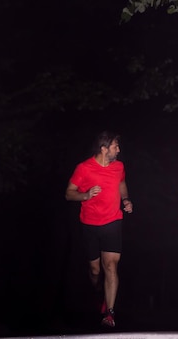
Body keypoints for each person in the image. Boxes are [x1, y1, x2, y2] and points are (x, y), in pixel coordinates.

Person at [65, 131, 133, 328]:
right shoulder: (84, 168)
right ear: (104, 149)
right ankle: (97, 291)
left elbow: (121, 183)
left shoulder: (118, 166)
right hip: (90, 224)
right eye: (115, 147)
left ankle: (110, 313)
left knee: (111, 266)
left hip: (113, 221)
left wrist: (126, 199)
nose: (118, 150)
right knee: (95, 271)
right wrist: (85, 195)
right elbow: (69, 193)